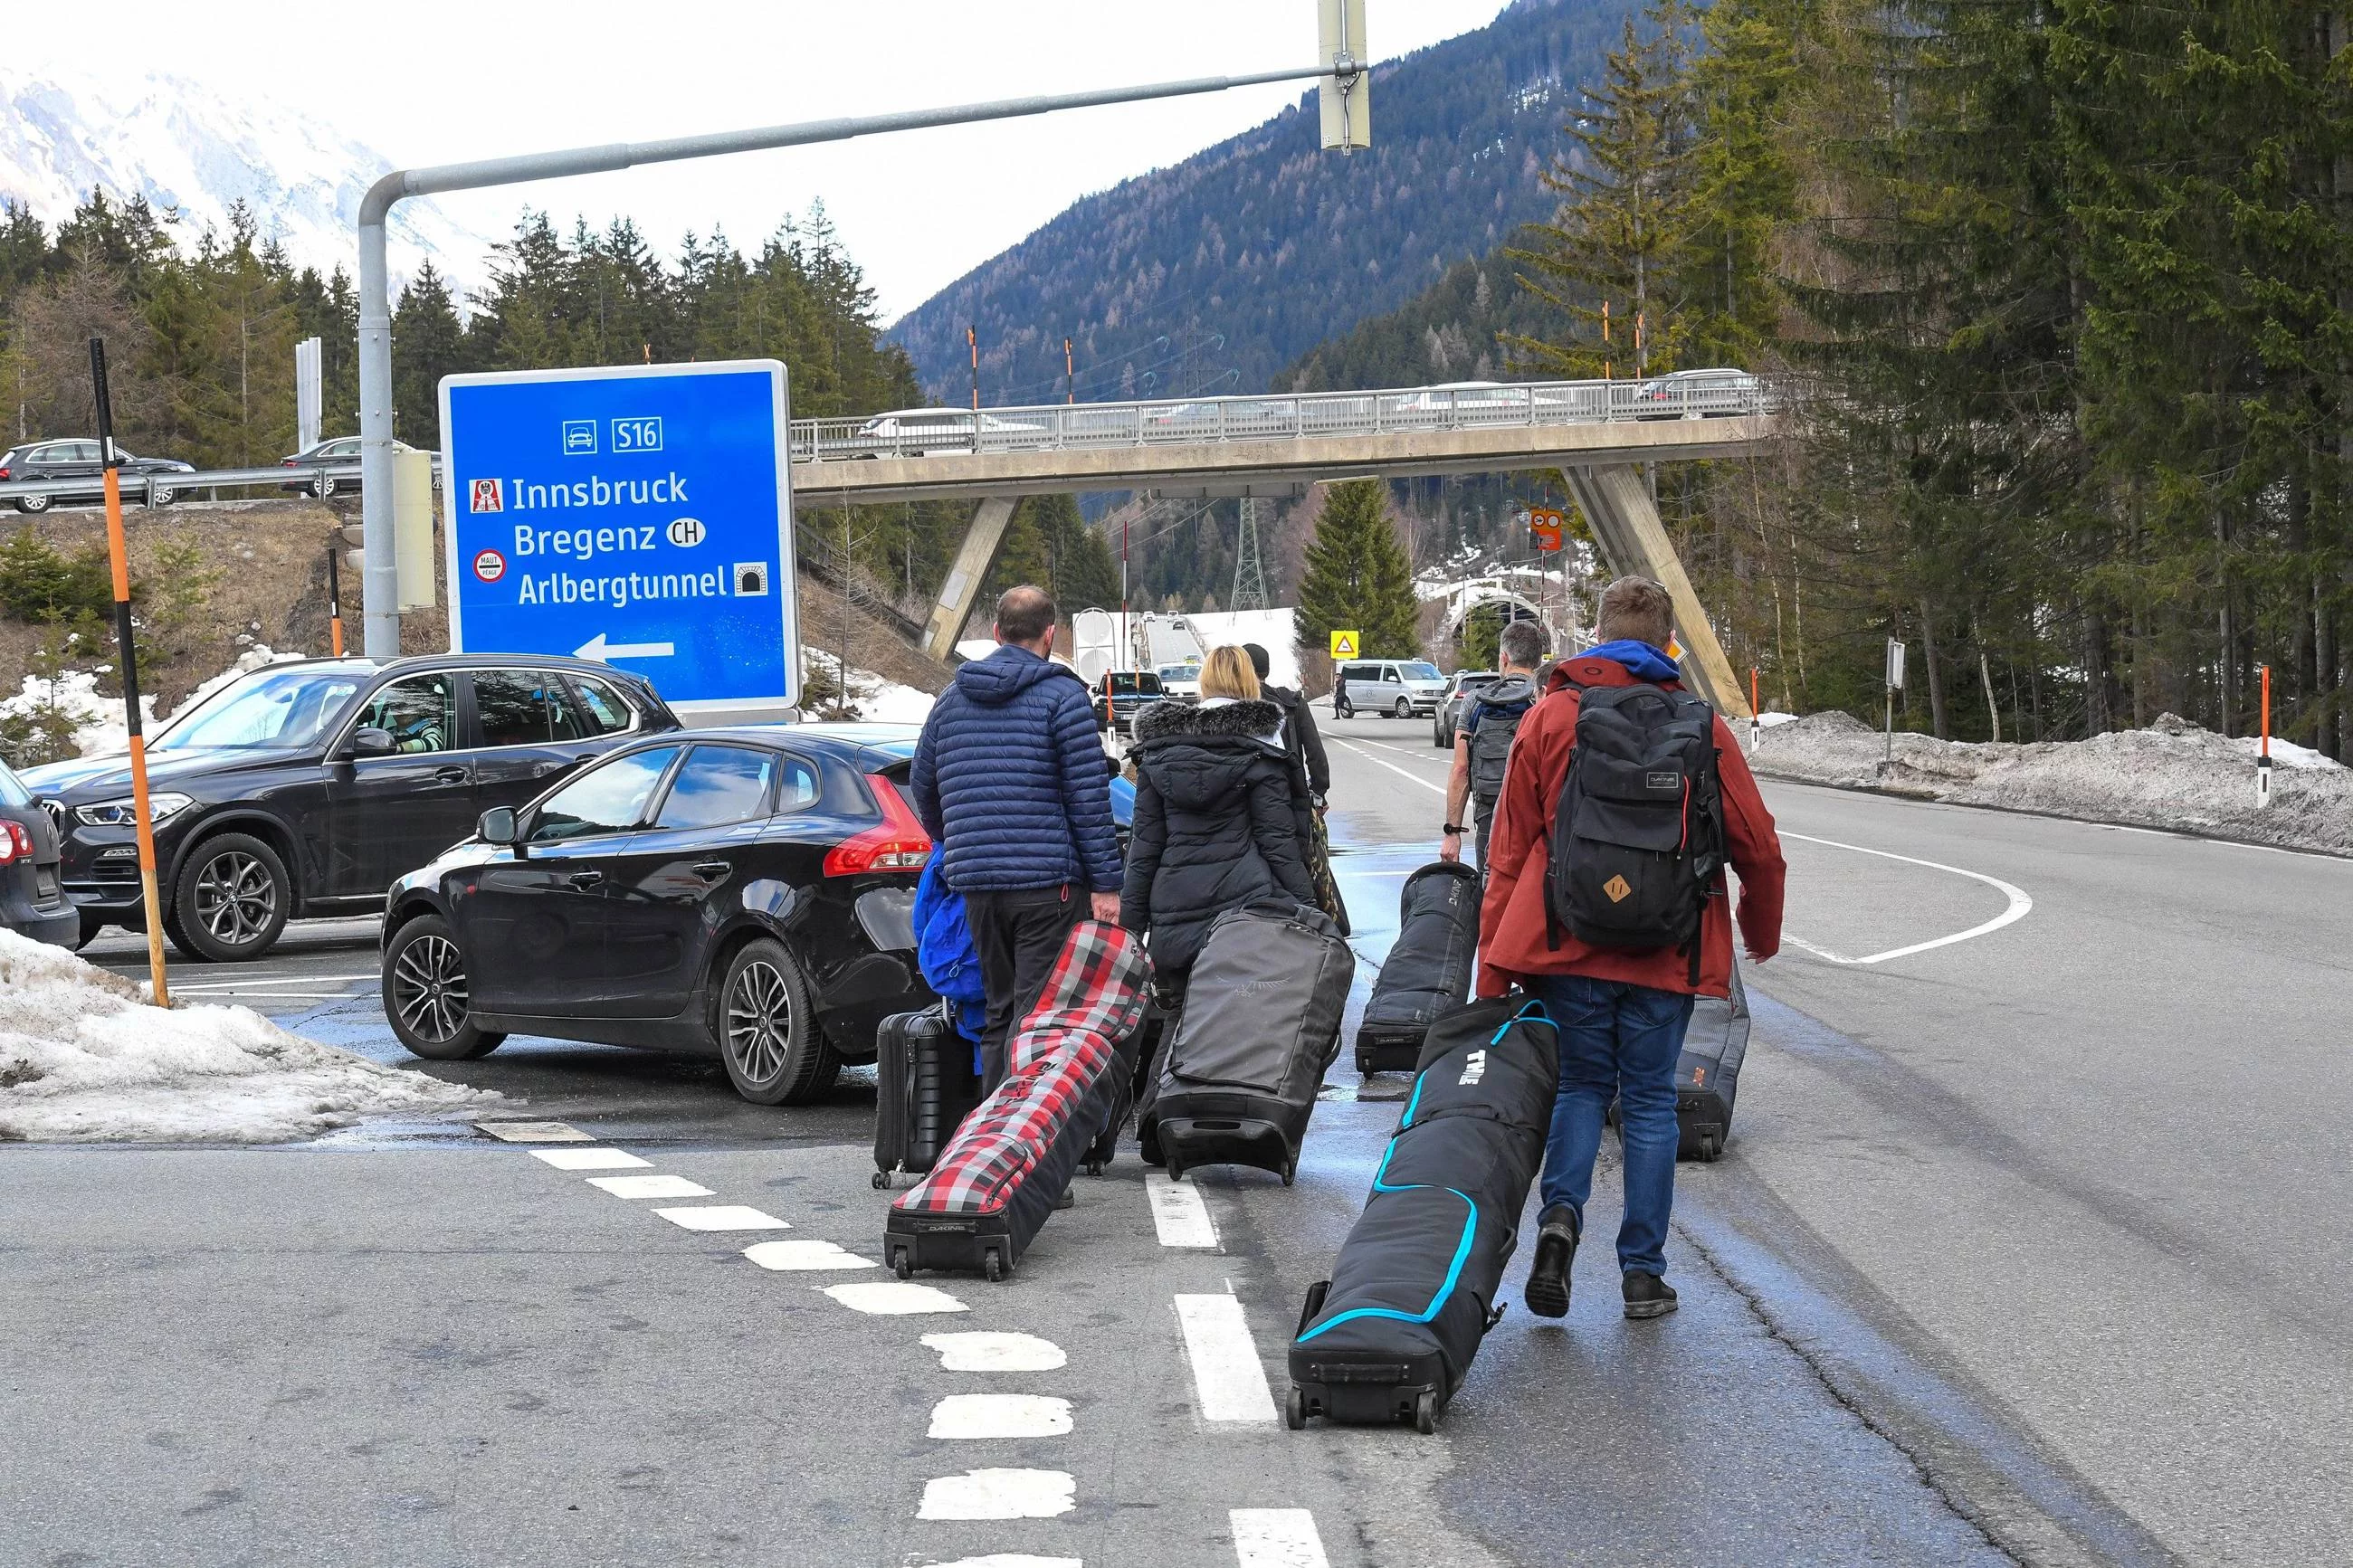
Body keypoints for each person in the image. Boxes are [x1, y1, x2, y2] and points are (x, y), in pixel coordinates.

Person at [1475, 575, 1786, 1322]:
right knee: (1648, 1102)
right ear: (1666, 642)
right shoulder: (1701, 727)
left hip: (1567, 943)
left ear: (1599, 634)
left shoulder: (1551, 715)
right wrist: (1760, 933)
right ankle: (1643, 1274)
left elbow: (1509, 851)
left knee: (1580, 1087)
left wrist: (1491, 967)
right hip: (1666, 950)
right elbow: (1761, 848)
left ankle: (1559, 1224)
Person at [910, 584, 1122, 1092]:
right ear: (1050, 634)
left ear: (996, 632)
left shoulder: (950, 700)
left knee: (997, 1011)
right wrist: (1107, 886)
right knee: (1040, 1017)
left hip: (978, 887)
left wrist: (958, 841)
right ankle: (1023, 1144)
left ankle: (988, 1139)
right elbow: (1088, 799)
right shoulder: (1063, 698)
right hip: (1049, 887)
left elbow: (923, 783)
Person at [1120, 645, 1317, 988]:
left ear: (1204, 683)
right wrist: (1310, 909)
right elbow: (1279, 844)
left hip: (1173, 912)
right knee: (1238, 1023)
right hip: (1243, 913)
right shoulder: (1262, 753)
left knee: (1176, 1017)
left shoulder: (1159, 755)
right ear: (1250, 683)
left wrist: (1130, 927)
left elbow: (1145, 847)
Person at [1441, 618, 1548, 871]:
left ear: (1504, 658)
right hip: (1538, 822)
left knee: (1490, 893)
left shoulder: (1476, 702)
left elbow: (1460, 770)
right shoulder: (1547, 699)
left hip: (1490, 819)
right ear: (1539, 661)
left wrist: (1452, 833)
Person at [1243, 642, 1331, 803]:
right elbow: (1315, 753)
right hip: (1290, 795)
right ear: (1266, 671)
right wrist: (1318, 793)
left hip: (1242, 799)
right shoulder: (1293, 703)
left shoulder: (1229, 706)